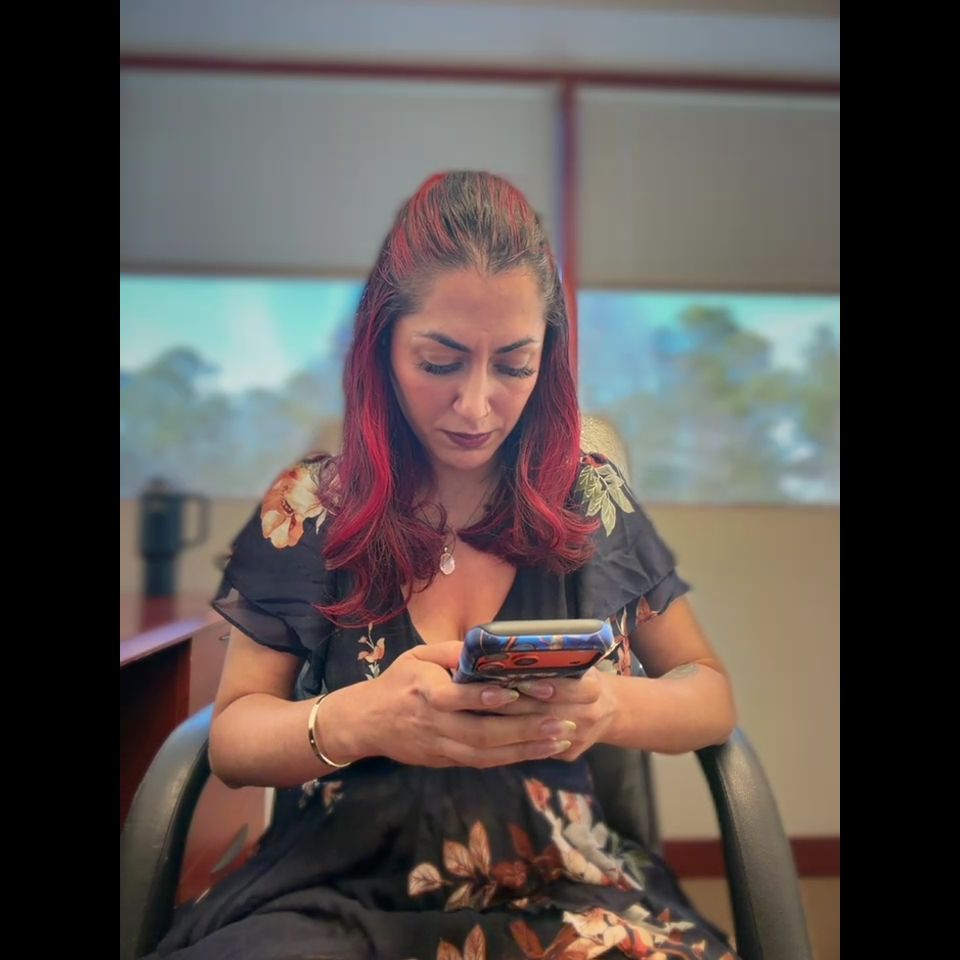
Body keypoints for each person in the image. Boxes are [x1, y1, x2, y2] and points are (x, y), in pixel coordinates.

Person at [154, 171, 739, 960]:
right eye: (440, 362)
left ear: (547, 358)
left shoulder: (589, 499)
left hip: (562, 889)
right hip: (333, 887)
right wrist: (362, 719)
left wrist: (608, 706)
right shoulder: (309, 508)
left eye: (514, 365)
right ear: (383, 348)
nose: (476, 406)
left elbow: (708, 692)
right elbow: (232, 740)